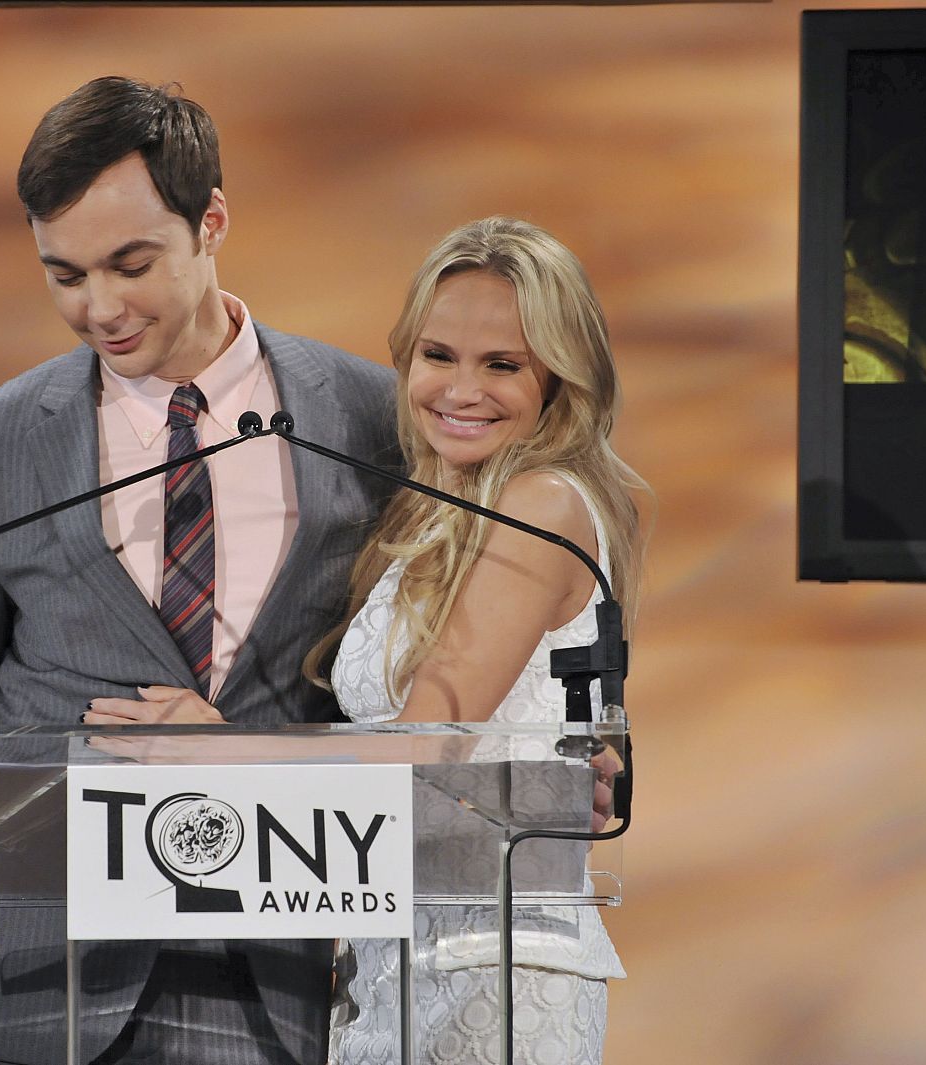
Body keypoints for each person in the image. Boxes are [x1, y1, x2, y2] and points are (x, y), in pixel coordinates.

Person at [0, 75, 399, 1065]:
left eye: (131, 264)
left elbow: (408, 680)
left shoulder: (368, 418)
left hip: (264, 979)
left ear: (210, 221)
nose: (99, 307)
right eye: (64, 275)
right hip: (28, 980)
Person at [314, 216, 648, 1064]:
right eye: (438, 356)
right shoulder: (434, 513)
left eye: (503, 364)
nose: (462, 389)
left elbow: (427, 746)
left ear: (558, 381)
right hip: (399, 953)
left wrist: (205, 756)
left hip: (494, 966)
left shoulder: (541, 504)